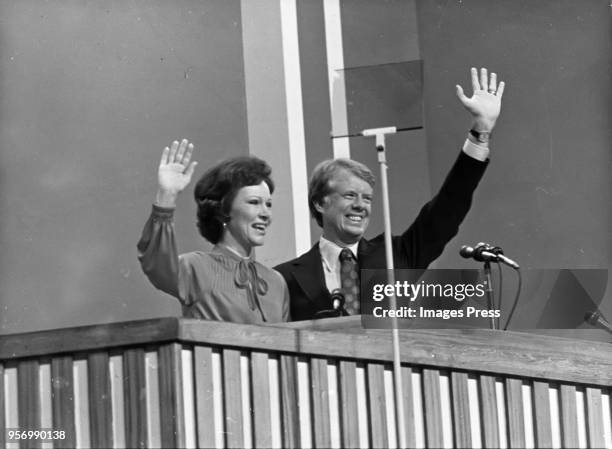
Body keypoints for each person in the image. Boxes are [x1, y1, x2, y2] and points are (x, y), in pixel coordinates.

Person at [275, 67, 505, 321]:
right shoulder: (284, 278)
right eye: (350, 196)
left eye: (367, 198)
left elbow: (447, 210)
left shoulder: (396, 256)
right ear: (320, 202)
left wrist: (480, 131)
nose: (361, 206)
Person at [137, 139, 290, 323]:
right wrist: (167, 195)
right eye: (254, 202)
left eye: (269, 204)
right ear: (224, 210)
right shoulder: (195, 268)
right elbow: (157, 264)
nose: (265, 214)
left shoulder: (276, 283)